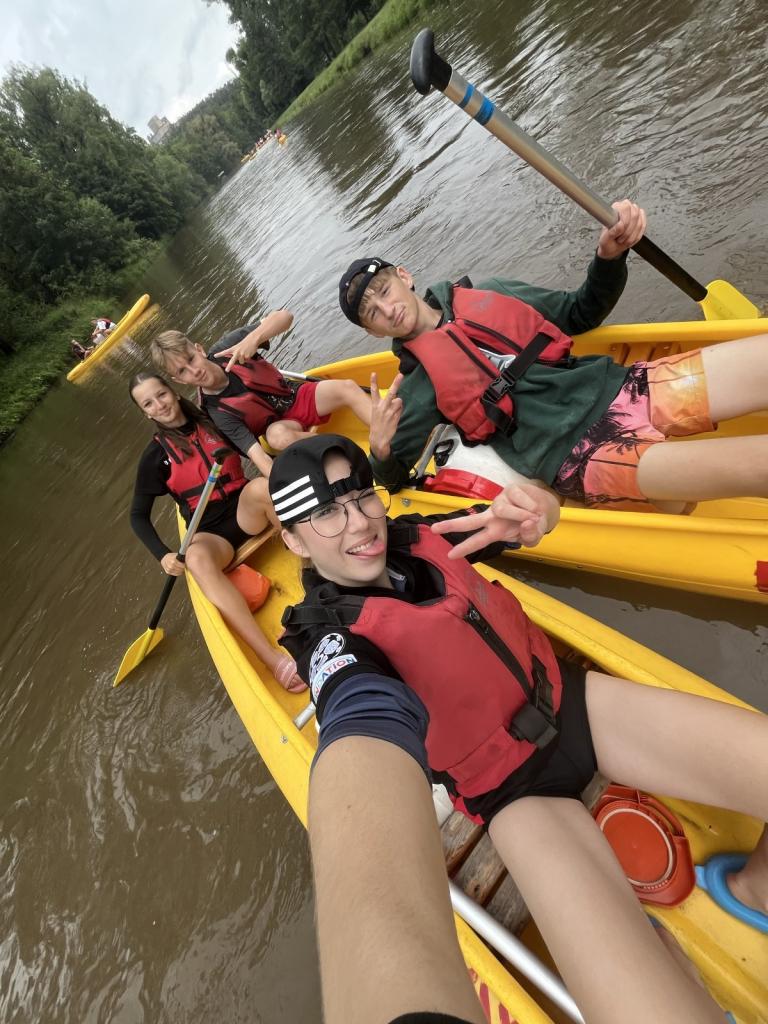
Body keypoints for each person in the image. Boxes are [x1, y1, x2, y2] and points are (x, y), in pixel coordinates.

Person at [271, 433, 767, 1024]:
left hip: (574, 706)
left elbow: (513, 520)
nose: (359, 523)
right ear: (292, 539)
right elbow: (358, 719)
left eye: (360, 497)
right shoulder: (327, 641)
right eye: (327, 513)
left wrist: (539, 509)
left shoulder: (416, 538)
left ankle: (753, 890)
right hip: (514, 793)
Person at [337, 203, 768, 515]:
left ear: (405, 276)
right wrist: (380, 449)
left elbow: (580, 312)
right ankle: (669, 495)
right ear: (373, 331)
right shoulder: (414, 389)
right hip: (582, 456)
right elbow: (393, 479)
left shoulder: (491, 292)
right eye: (373, 313)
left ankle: (671, 495)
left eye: (385, 291)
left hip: (620, 388)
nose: (388, 309)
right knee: (757, 463)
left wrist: (609, 257)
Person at [128, 371, 305, 692]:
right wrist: (163, 555)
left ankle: (316, 575)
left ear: (173, 392)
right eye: (149, 403)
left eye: (161, 394)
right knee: (195, 559)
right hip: (211, 535)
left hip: (247, 512)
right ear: (146, 413)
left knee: (263, 487)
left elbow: (258, 442)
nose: (160, 404)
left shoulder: (214, 419)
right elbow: (138, 516)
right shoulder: (155, 458)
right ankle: (272, 658)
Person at [149, 311, 373, 479]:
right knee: (278, 437)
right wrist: (281, 487)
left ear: (199, 350)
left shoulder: (229, 346)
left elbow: (285, 317)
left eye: (191, 359)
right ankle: (345, 449)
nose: (194, 371)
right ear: (179, 381)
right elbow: (261, 459)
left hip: (296, 396)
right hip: (280, 428)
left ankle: (388, 434)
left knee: (347, 387)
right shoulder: (217, 412)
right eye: (182, 372)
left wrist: (254, 338)